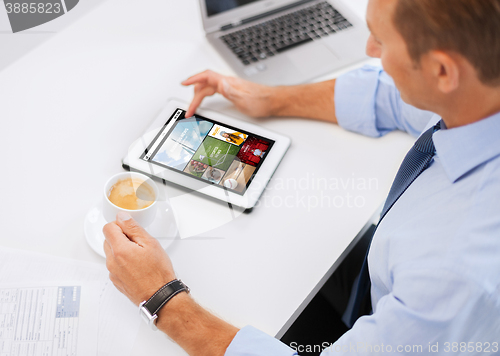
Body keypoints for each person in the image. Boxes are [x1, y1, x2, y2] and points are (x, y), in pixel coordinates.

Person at [103, 0, 500, 354]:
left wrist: (162, 300)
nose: (369, 51)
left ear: (443, 70)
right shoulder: (479, 92)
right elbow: (390, 96)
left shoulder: (457, 274)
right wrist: (270, 98)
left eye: (380, 40)